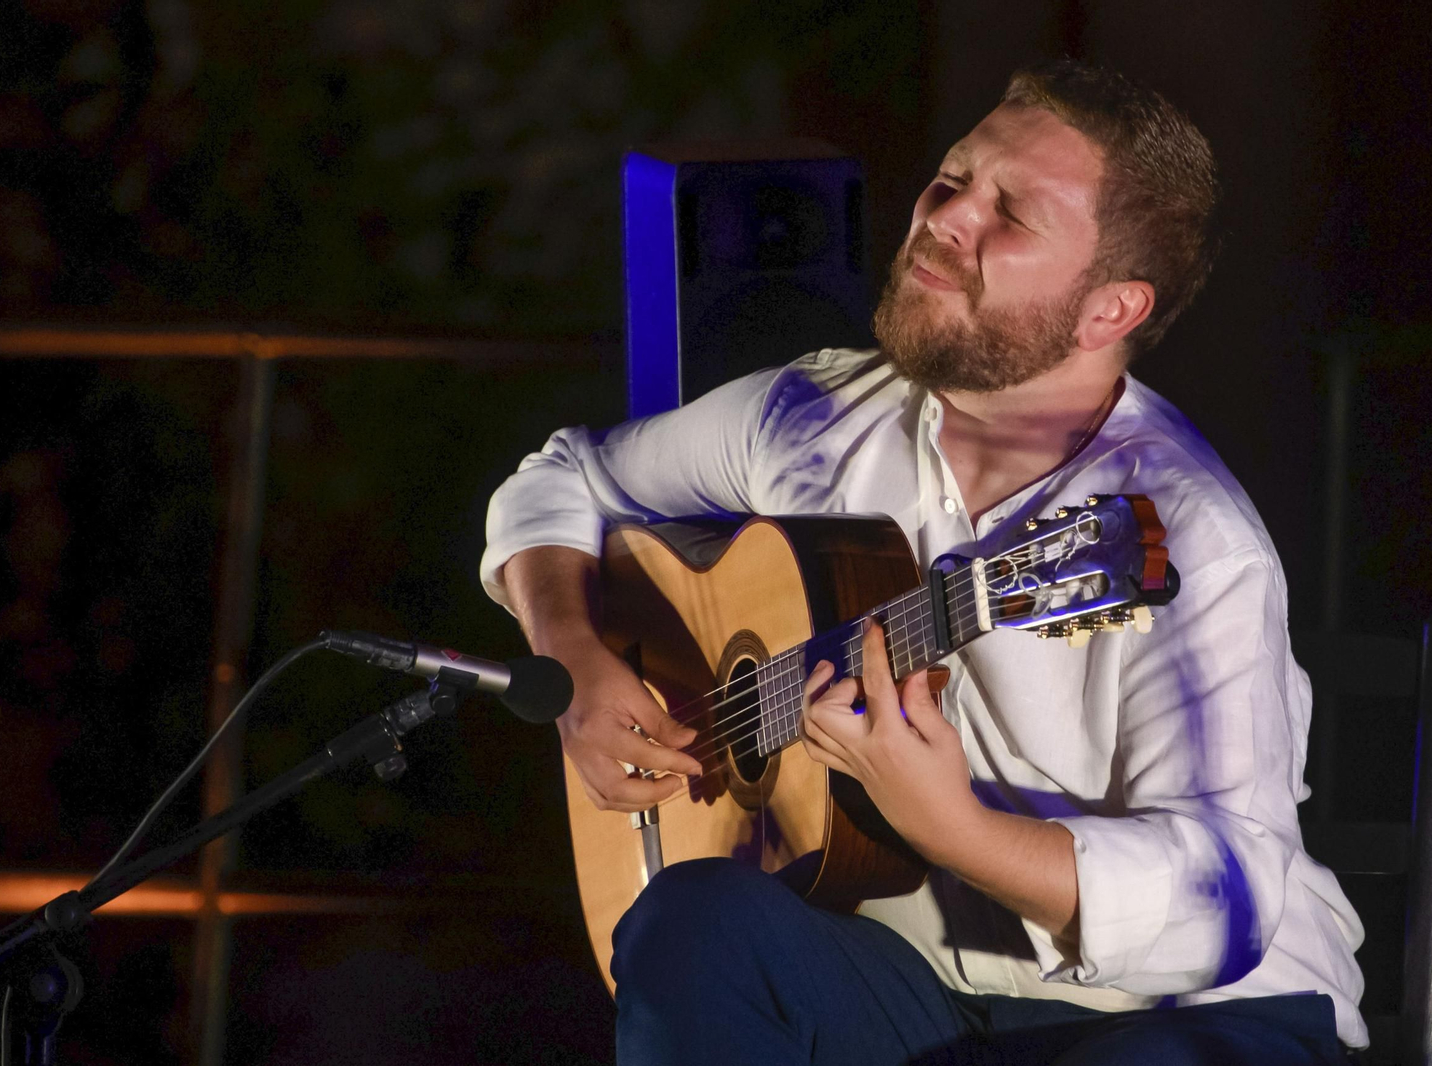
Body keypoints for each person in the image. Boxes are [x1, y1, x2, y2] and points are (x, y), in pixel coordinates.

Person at [481, 59, 1366, 1065]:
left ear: (1109, 311)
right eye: (953, 177)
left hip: (1182, 1020)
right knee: (689, 925)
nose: (946, 217)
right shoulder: (814, 418)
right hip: (918, 988)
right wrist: (574, 658)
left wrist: (954, 827)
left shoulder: (1182, 534)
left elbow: (1225, 903)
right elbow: (562, 479)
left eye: (1011, 214)